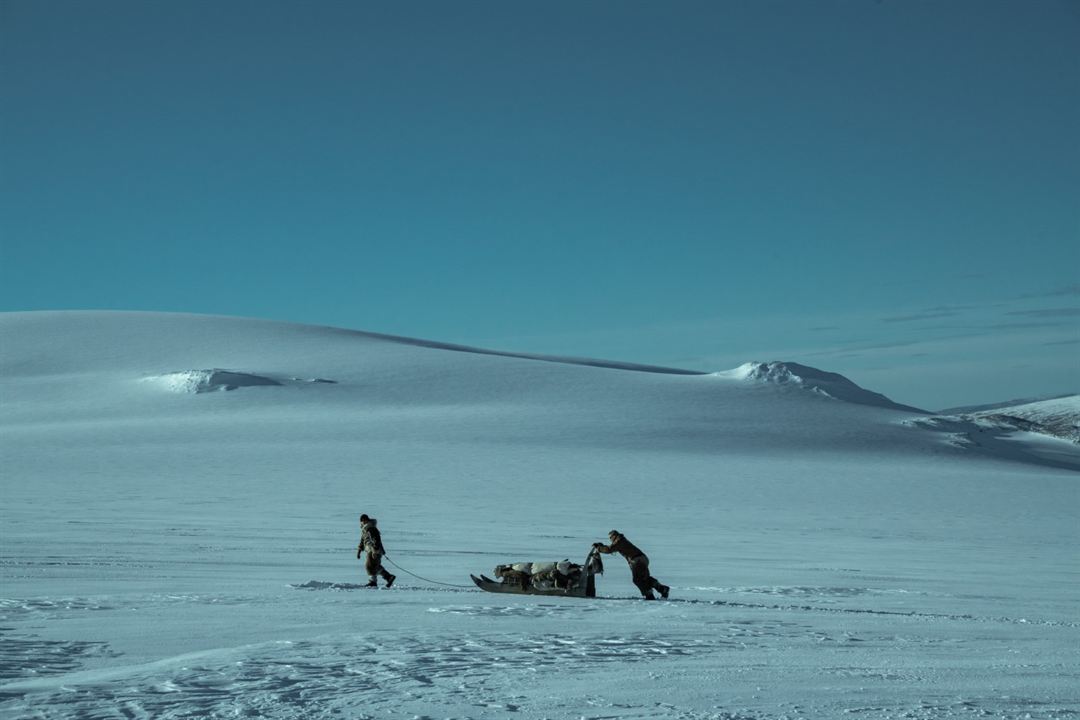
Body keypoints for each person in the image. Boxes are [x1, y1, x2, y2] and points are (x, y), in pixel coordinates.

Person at [593, 529, 669, 600]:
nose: (610, 539)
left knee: (637, 579)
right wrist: (601, 546)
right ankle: (662, 589)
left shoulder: (619, 541)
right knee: (644, 578)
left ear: (614, 536)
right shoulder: (621, 540)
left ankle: (649, 596)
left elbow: (610, 549)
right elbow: (611, 547)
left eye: (610, 537)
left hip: (637, 560)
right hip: (641, 558)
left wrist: (599, 548)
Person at [357, 514, 396, 588]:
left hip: (373, 551)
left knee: (369, 566)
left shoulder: (371, 528)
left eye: (361, 522)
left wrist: (375, 551)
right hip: (371, 550)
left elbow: (376, 540)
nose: (361, 523)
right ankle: (389, 577)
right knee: (375, 566)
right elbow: (363, 540)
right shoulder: (366, 529)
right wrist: (359, 550)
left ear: (364, 520)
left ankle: (373, 582)